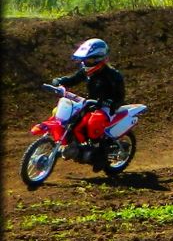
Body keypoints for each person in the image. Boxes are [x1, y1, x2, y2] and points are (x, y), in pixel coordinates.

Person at [51, 38, 125, 169]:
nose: (86, 63)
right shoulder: (86, 71)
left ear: (99, 59)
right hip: (91, 104)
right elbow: (73, 79)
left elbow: (120, 96)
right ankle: (73, 144)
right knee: (72, 119)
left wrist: (111, 102)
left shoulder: (114, 75)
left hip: (107, 107)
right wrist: (61, 81)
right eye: (85, 60)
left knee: (93, 124)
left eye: (89, 60)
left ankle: (100, 156)